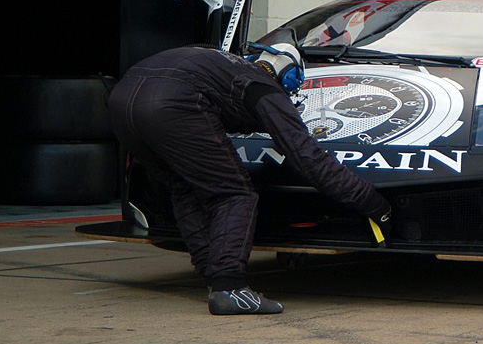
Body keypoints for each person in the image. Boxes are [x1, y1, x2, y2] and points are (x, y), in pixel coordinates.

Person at [107, 43, 392, 315]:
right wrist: (373, 203)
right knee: (234, 193)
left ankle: (212, 274)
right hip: (171, 103)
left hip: (121, 100)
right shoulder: (263, 86)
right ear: (287, 76)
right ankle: (229, 288)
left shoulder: (229, 66)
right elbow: (307, 158)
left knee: (184, 186)